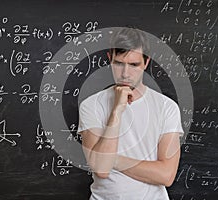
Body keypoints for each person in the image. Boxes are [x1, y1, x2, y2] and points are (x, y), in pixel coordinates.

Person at [77, 27, 184, 200]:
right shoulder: (91, 105)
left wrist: (113, 159)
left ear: (146, 62)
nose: (125, 74)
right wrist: (116, 111)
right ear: (110, 59)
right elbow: (101, 169)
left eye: (134, 65)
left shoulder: (167, 107)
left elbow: (166, 175)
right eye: (119, 63)